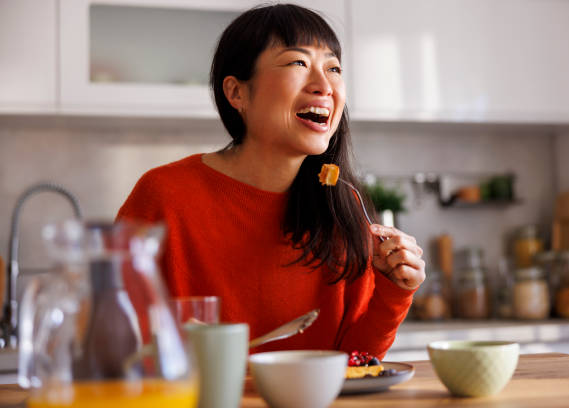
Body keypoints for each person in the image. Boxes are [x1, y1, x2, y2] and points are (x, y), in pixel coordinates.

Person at [117, 3, 425, 358]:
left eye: (334, 68)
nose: (324, 85)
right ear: (237, 93)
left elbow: (352, 362)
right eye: (298, 63)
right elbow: (117, 341)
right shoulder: (163, 196)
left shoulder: (343, 208)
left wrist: (395, 289)